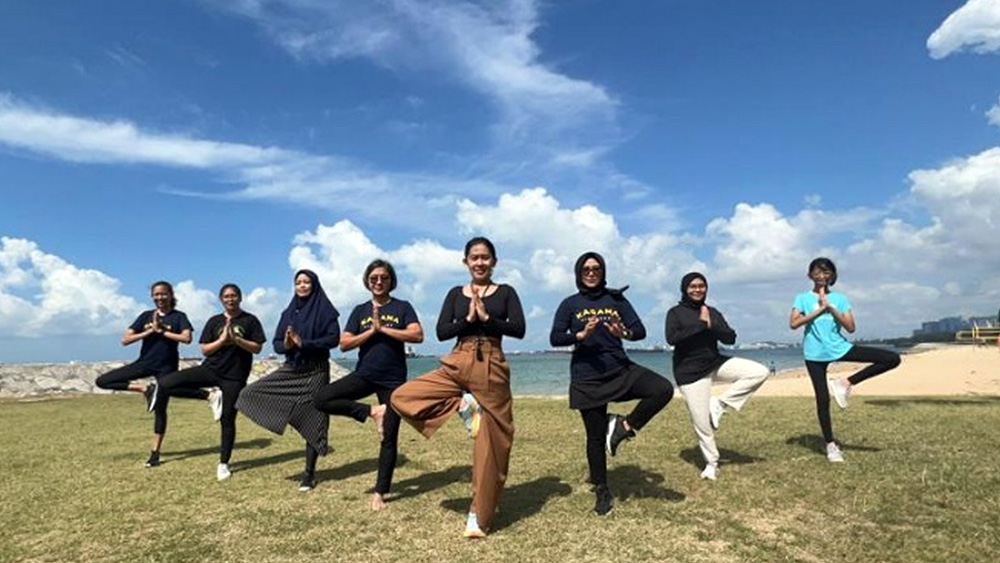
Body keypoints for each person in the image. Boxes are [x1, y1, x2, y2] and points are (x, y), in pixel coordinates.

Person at [391, 236, 525, 538]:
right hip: (458, 358)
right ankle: (463, 405)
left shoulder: (506, 292)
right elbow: (442, 331)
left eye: (485, 257)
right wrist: (468, 318)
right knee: (402, 397)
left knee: (493, 446)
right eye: (474, 257)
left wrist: (486, 317)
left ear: (494, 262)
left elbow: (518, 329)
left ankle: (479, 515)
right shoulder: (455, 293)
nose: (480, 262)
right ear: (465, 262)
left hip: (491, 363)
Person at [549, 252, 673, 516]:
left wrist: (622, 332)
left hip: (619, 367)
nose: (591, 273)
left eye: (596, 269)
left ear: (603, 271)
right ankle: (602, 489)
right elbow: (555, 337)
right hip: (587, 375)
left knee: (662, 389)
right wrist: (580, 334)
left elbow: (639, 331)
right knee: (594, 437)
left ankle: (622, 427)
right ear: (578, 273)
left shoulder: (616, 299)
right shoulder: (570, 304)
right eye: (586, 269)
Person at [313, 259, 424, 510]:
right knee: (321, 398)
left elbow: (417, 335)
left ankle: (380, 492)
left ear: (391, 281)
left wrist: (383, 329)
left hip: (393, 380)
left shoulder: (402, 307)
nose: (378, 282)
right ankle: (373, 411)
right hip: (364, 375)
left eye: (384, 277)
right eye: (374, 278)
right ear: (367, 281)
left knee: (389, 438)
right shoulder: (360, 310)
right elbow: (344, 344)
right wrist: (371, 332)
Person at [789, 257, 901, 462]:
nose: (821, 276)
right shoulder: (802, 298)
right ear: (809, 275)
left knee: (892, 358)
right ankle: (830, 445)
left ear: (832, 275)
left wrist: (831, 308)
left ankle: (846, 382)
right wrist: (819, 310)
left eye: (826, 272)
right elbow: (794, 323)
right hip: (814, 353)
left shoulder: (840, 299)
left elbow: (850, 327)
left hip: (839, 347)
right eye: (817, 272)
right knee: (823, 400)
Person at [236, 269, 340, 491]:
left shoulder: (326, 310)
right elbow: (276, 344)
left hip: (316, 371)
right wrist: (287, 345)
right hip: (292, 368)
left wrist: (304, 343)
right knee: (248, 393)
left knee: (315, 419)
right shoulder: (288, 313)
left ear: (314, 285)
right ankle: (294, 416)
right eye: (298, 282)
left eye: (306, 282)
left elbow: (333, 339)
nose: (302, 286)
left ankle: (309, 474)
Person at [666, 272, 769, 481]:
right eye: (693, 286)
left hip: (715, 363)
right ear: (685, 289)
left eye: (701, 286)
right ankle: (712, 464)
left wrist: (712, 324)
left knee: (759, 372)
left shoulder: (712, 312)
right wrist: (701, 325)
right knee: (702, 424)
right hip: (690, 372)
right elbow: (672, 338)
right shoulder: (675, 313)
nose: (697, 290)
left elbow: (730, 338)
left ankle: (720, 404)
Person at [157, 284, 266, 481]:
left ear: (240, 298)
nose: (230, 299)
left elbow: (257, 348)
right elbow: (205, 350)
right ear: (221, 300)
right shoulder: (214, 321)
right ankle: (210, 396)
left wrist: (237, 340)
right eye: (226, 296)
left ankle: (223, 463)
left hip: (234, 377)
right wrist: (223, 340)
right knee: (166, 384)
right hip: (211, 369)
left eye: (233, 296)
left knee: (227, 419)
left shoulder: (250, 320)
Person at [95, 281, 195, 468]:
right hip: (144, 363)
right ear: (152, 297)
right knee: (103, 381)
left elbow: (186, 338)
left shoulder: (179, 317)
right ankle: (144, 388)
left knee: (160, 410)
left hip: (167, 367)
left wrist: (162, 331)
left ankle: (155, 454)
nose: (160, 297)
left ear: (170, 295)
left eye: (163, 294)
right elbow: (125, 340)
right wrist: (149, 331)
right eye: (156, 294)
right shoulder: (145, 316)